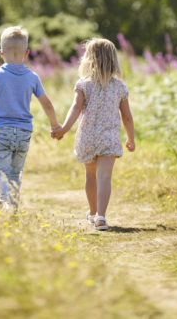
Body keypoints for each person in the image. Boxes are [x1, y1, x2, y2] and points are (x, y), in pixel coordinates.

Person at [0, 26, 61, 209]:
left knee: (1, 172)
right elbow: (47, 104)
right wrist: (55, 125)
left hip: (2, 131)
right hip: (24, 133)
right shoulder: (32, 77)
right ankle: (14, 208)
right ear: (26, 53)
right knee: (15, 173)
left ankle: (4, 203)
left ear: (1, 53)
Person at [52, 38, 135, 230]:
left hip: (88, 137)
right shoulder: (120, 87)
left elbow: (75, 108)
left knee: (90, 176)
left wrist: (63, 129)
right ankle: (101, 217)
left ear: (88, 60)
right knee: (104, 177)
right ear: (114, 61)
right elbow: (127, 117)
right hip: (109, 138)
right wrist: (131, 138)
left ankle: (92, 212)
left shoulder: (83, 85)